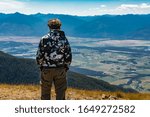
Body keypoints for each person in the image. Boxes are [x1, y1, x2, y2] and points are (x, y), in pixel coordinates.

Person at [36, 18, 72, 100]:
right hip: (60, 69)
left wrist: (41, 66)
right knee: (60, 92)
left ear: (49, 27)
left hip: (46, 69)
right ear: (60, 26)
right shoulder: (63, 39)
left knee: (45, 93)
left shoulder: (44, 39)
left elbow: (39, 55)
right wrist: (66, 67)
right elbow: (68, 55)